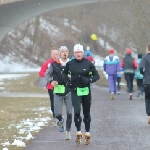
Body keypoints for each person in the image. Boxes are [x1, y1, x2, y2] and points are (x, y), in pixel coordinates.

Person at [64, 44, 100, 145]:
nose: (78, 54)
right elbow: (64, 73)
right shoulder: (70, 63)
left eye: (80, 52)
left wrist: (89, 80)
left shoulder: (88, 63)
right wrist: (68, 82)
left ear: (83, 53)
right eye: (76, 52)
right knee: (76, 111)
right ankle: (79, 132)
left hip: (86, 90)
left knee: (86, 112)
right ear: (74, 53)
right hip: (75, 90)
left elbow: (97, 76)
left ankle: (87, 133)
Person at [45, 46, 72, 140]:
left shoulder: (72, 63)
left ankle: (68, 131)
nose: (64, 53)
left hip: (69, 91)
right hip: (58, 90)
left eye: (66, 51)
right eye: (62, 51)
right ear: (59, 54)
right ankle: (60, 120)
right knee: (57, 113)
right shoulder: (54, 64)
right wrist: (51, 81)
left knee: (69, 112)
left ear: (68, 53)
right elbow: (47, 74)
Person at [39, 47, 59, 126]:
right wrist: (48, 76)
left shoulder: (61, 62)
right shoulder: (48, 63)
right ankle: (55, 116)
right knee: (53, 102)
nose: (55, 56)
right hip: (51, 86)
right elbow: (41, 72)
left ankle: (59, 116)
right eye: (54, 54)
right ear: (51, 55)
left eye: (57, 54)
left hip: (60, 87)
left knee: (60, 102)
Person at [139, 44, 150, 124]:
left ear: (148, 49)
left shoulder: (145, 57)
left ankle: (149, 114)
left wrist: (143, 73)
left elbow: (141, 67)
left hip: (147, 81)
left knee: (148, 98)